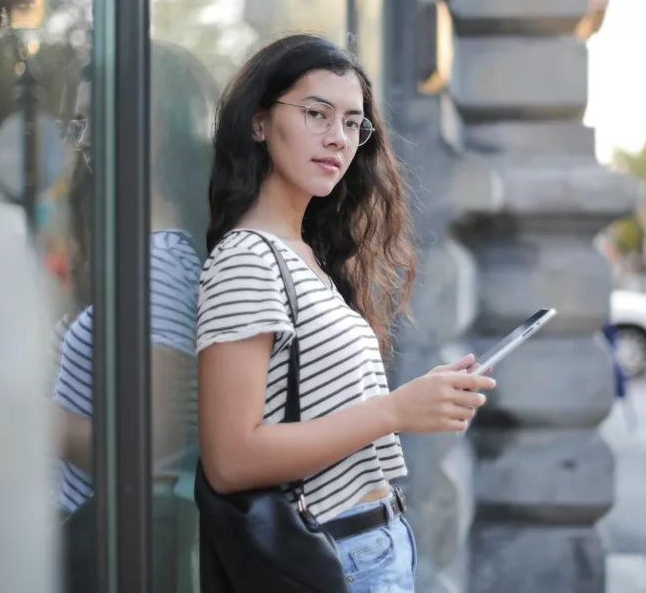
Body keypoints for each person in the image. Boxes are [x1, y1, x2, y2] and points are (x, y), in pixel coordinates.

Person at [196, 33, 496, 592]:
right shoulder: (249, 259)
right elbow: (231, 458)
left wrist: (415, 401)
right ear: (259, 121)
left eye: (353, 123)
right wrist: (393, 411)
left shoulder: (305, 254)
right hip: (331, 555)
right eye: (316, 114)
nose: (337, 138)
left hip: (371, 545)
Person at [53, 41, 214, 518]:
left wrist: (35, 418)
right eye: (78, 123)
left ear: (154, 127)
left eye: (94, 118)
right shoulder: (158, 255)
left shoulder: (159, 265)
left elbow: (147, 446)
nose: (82, 141)